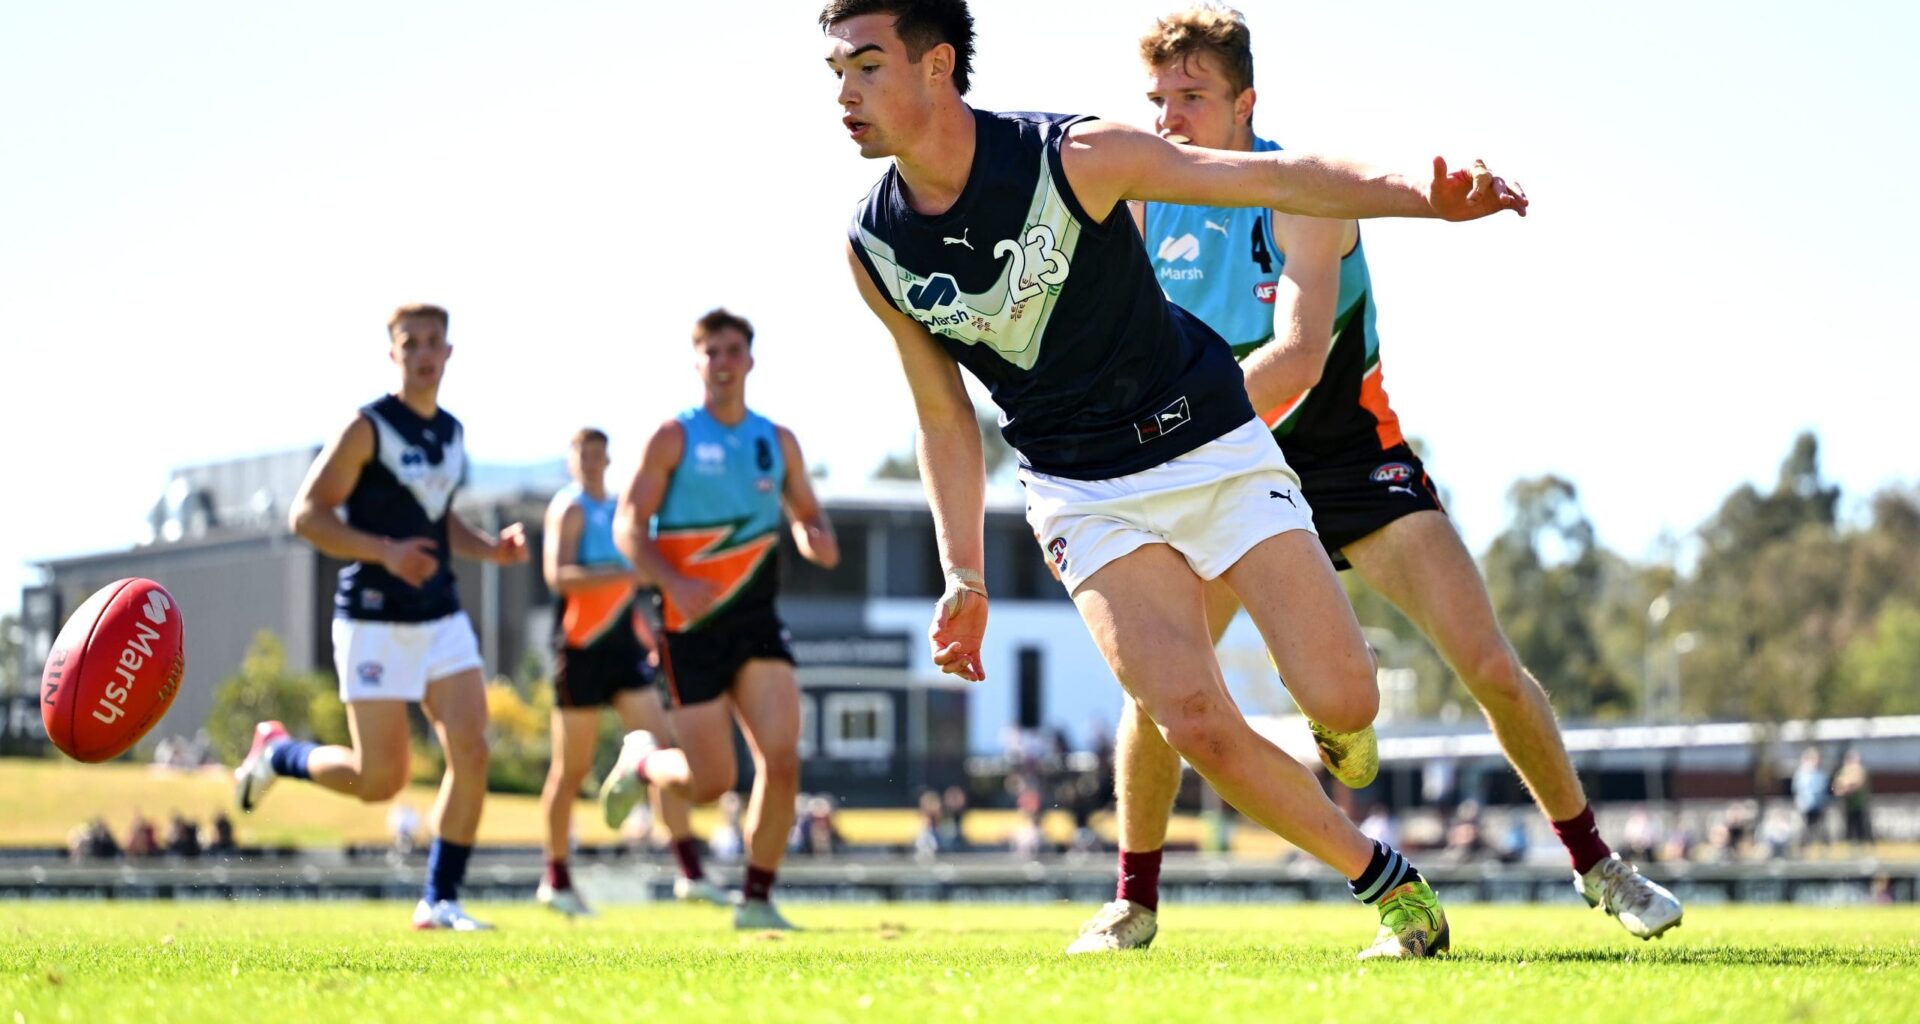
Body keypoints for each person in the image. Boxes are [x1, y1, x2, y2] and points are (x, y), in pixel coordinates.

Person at [823, 0, 1526, 958]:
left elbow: (1275, 175)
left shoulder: (1075, 156)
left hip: (1211, 445)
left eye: (867, 66)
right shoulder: (873, 248)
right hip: (1080, 488)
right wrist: (964, 573)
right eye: (837, 74)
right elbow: (944, 417)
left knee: (1347, 699)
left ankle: (1340, 733)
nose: (846, 94)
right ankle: (1386, 883)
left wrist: (1421, 192)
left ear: (938, 65)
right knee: (1189, 715)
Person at [1060, 3, 1683, 951]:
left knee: (1489, 667)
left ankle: (1601, 865)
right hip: (1217, 461)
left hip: (1345, 456)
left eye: (1191, 97)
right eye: (1157, 100)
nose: (1169, 118)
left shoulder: (1301, 189)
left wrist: (1162, 430)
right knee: (1158, 690)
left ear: (1246, 104)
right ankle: (1133, 903)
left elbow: (1302, 356)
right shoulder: (1143, 198)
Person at [235, 303, 528, 932]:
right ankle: (278, 753)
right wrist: (386, 553)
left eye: (434, 342)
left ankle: (440, 899)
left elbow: (437, 519)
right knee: (379, 780)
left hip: (441, 614)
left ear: (449, 353)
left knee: (471, 750)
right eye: (410, 343)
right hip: (372, 618)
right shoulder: (367, 428)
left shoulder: (451, 433)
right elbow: (307, 515)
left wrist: (490, 550)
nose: (424, 353)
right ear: (392, 353)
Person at [599, 308, 840, 931]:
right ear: (698, 361)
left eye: (735, 349)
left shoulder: (776, 440)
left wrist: (814, 535)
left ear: (751, 360)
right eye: (713, 351)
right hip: (688, 625)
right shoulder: (673, 437)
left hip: (757, 621)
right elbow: (628, 525)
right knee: (710, 783)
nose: (725, 361)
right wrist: (673, 578)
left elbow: (808, 513)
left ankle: (756, 900)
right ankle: (644, 762)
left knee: (781, 758)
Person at [538, 427, 726, 916]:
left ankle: (690, 872)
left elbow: (637, 583)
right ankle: (555, 879)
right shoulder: (571, 508)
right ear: (571, 459)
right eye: (583, 453)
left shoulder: (618, 506)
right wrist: (627, 573)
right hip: (579, 648)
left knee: (662, 750)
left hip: (622, 646)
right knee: (571, 770)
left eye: (599, 453)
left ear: (609, 458)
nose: (592, 462)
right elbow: (558, 576)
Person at [1792, 747, 1832, 852]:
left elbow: (1825, 789)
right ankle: (1803, 849)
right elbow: (1797, 790)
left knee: (1821, 827)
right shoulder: (1801, 774)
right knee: (1804, 828)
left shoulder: (1821, 774)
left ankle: (1824, 848)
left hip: (1819, 805)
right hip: (1805, 806)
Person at [1833, 749, 1873, 851]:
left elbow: (1858, 784)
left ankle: (1863, 844)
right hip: (1847, 804)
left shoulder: (1861, 771)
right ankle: (1851, 845)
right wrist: (1844, 787)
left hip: (1860, 804)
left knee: (1862, 825)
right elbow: (1836, 787)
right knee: (1850, 825)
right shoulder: (1843, 771)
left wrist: (1848, 786)